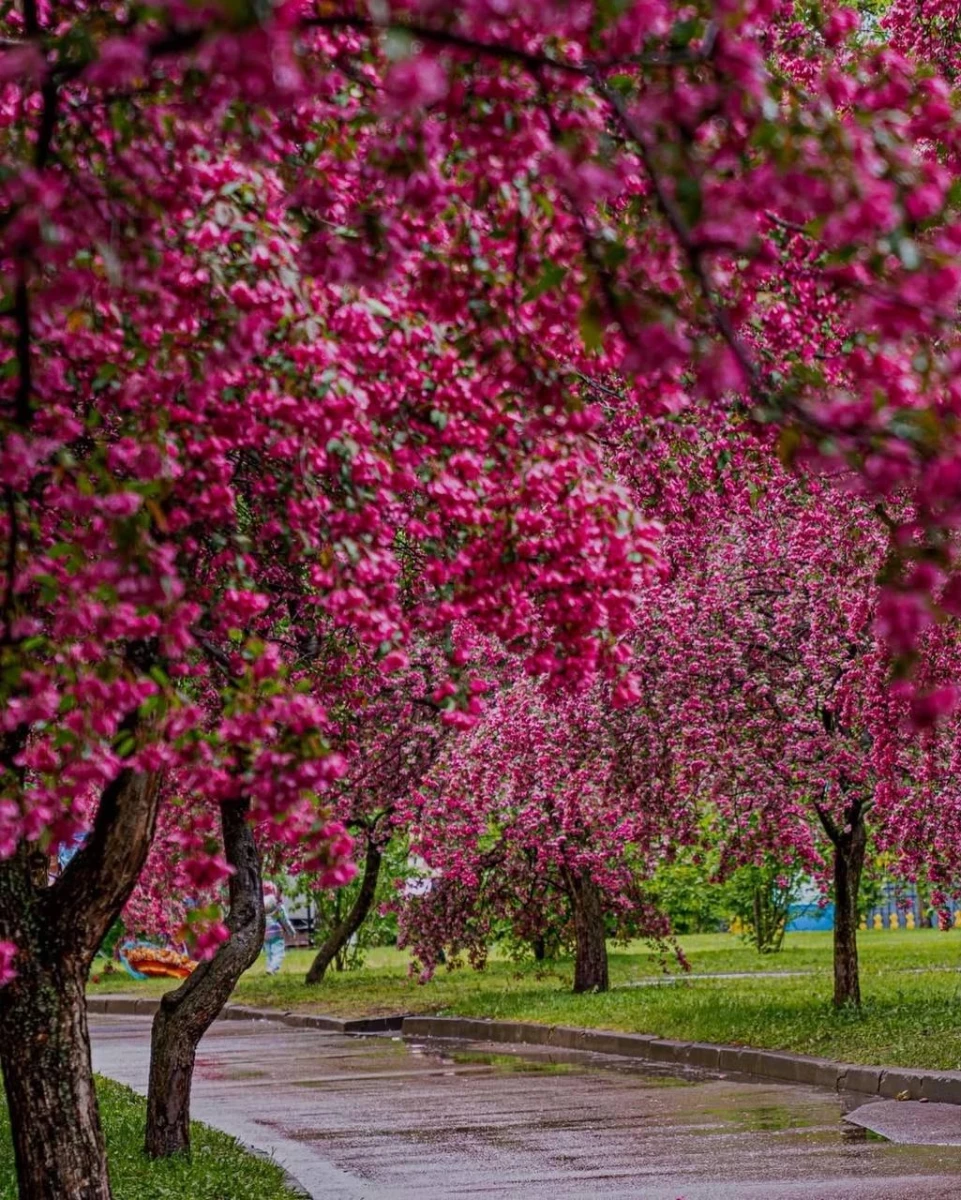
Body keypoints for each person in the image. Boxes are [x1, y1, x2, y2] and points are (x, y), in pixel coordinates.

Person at [263, 882, 295, 975]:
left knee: (269, 953)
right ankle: (272, 968)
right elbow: (284, 919)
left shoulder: (261, 903)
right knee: (278, 952)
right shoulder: (277, 903)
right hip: (276, 930)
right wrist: (291, 931)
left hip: (265, 932)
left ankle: (270, 967)